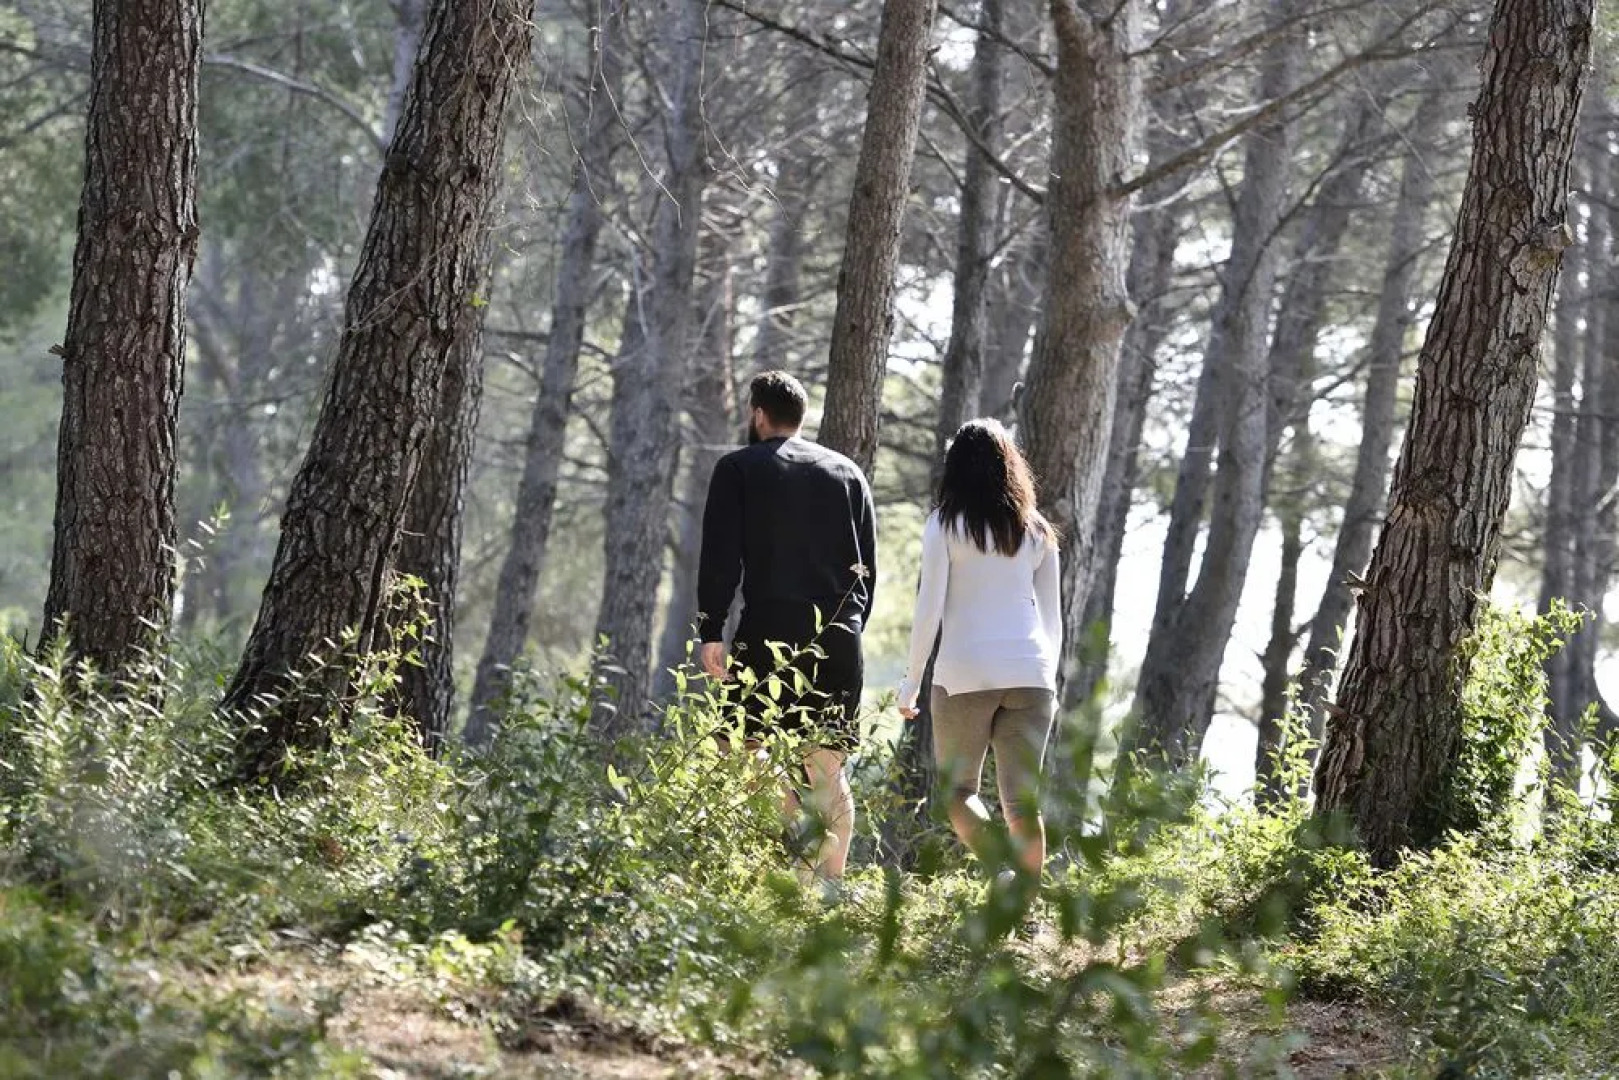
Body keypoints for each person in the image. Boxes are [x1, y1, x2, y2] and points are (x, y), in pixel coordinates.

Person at [695, 370, 878, 889]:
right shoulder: (848, 474)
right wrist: (848, 630)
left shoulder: (738, 469)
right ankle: (830, 888)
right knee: (827, 768)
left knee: (742, 750)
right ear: (801, 417)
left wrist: (712, 628)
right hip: (840, 637)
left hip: (769, 631)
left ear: (757, 414)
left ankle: (793, 859)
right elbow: (868, 567)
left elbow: (720, 556)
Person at [897, 419, 1060, 881]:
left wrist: (911, 681)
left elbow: (928, 607)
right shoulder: (1038, 532)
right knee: (1022, 803)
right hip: (1032, 674)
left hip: (964, 672)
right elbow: (1053, 620)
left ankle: (1003, 872)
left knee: (959, 792)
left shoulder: (944, 524)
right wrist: (1048, 679)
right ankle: (1023, 909)